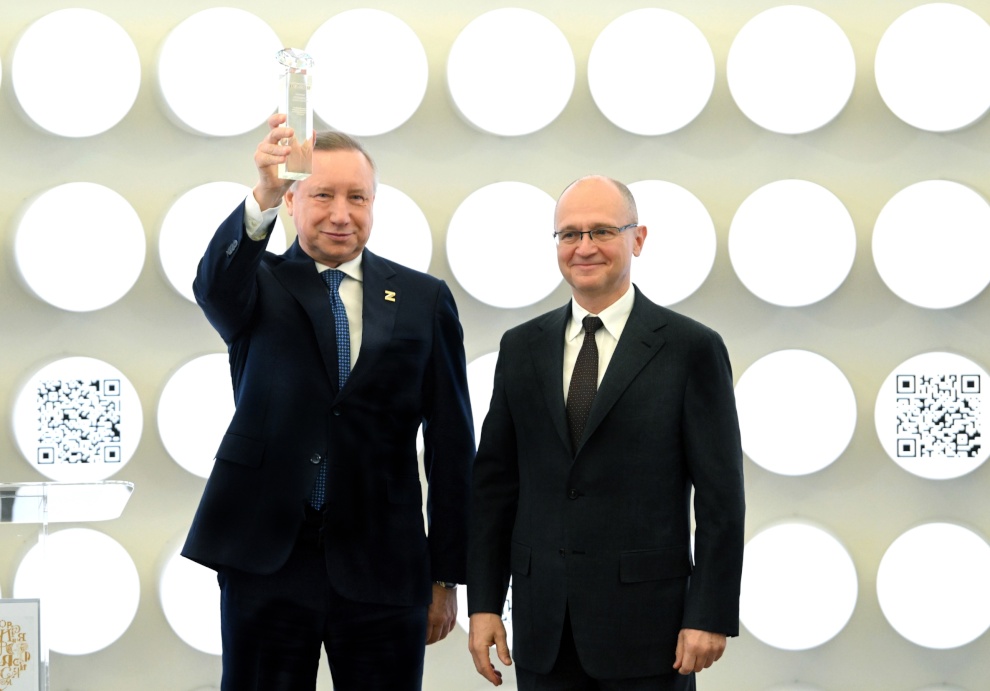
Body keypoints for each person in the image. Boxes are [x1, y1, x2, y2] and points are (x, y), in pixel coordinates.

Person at [182, 114, 475, 691]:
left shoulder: (423, 299)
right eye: (323, 195)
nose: (342, 213)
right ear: (293, 201)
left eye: (357, 197)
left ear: (374, 204)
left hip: (384, 563)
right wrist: (263, 192)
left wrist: (446, 575)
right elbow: (213, 285)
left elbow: (450, 443)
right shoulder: (256, 283)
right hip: (267, 556)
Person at [467, 175, 745, 690]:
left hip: (650, 632)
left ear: (638, 239)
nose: (584, 247)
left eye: (601, 231)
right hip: (543, 630)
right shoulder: (521, 347)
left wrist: (709, 613)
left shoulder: (691, 349)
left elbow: (721, 499)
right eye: (570, 234)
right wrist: (483, 603)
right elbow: (494, 488)